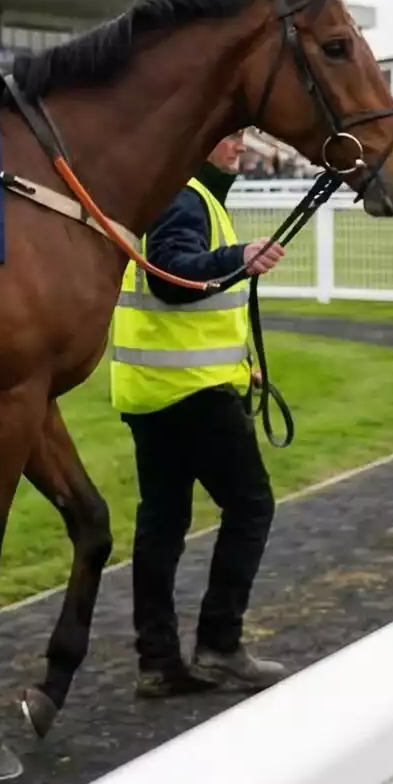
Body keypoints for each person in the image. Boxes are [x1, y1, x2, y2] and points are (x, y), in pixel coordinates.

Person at [113, 133, 291, 697]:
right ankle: (219, 646)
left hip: (154, 389)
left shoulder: (178, 193)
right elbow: (172, 278)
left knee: (162, 524)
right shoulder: (183, 196)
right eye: (229, 135)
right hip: (191, 391)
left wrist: (245, 367)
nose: (240, 144)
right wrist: (237, 258)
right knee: (251, 505)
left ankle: (159, 662)